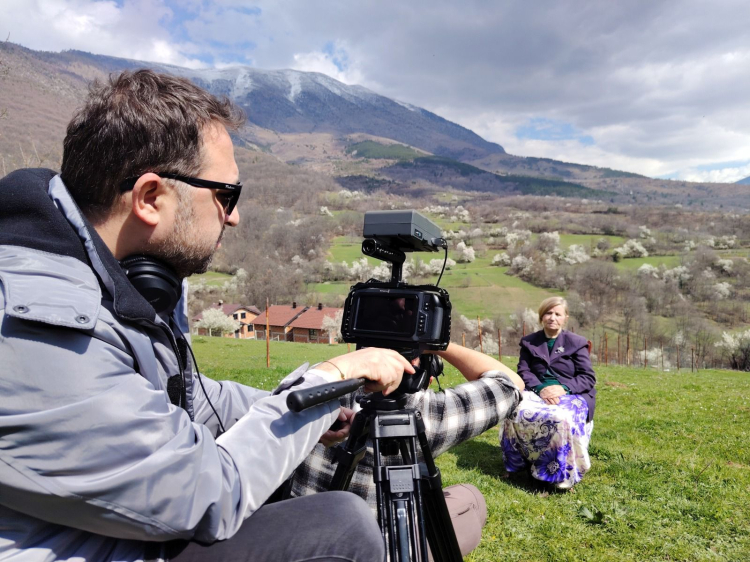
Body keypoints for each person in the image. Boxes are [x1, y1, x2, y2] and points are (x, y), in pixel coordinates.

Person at [0, 69, 415, 562]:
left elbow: (193, 398)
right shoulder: (43, 321)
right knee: (342, 526)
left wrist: (312, 406)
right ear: (150, 198)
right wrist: (328, 378)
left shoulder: (111, 282)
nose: (234, 217)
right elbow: (206, 494)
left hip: (106, 531)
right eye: (225, 195)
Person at [291, 342, 525, 556]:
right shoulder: (428, 414)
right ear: (421, 372)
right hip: (381, 552)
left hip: (298, 544)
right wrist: (437, 344)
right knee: (471, 497)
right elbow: (511, 383)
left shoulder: (312, 391)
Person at [499, 296, 596, 490]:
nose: (552, 318)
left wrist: (563, 388)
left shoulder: (577, 343)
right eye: (548, 313)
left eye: (558, 314)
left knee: (560, 417)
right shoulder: (529, 342)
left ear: (565, 318)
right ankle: (517, 463)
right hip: (537, 391)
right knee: (512, 410)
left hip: (572, 394)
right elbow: (524, 372)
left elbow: (587, 377)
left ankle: (558, 472)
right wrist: (541, 389)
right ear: (541, 316)